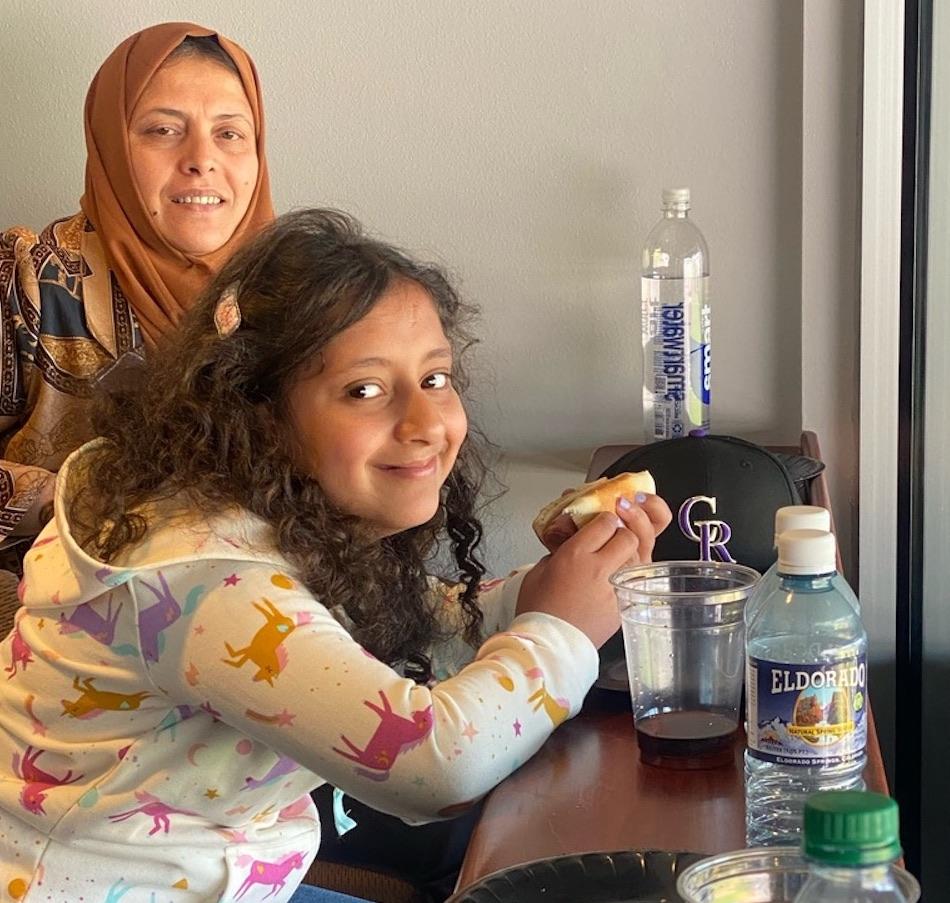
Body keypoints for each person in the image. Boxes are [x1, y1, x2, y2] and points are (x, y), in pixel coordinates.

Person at [0, 208, 671, 902]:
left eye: (436, 377)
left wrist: (542, 595)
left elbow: (411, 618)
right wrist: (560, 632)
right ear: (257, 412)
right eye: (364, 390)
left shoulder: (270, 514)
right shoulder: (202, 578)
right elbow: (435, 767)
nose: (424, 423)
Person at [0, 22, 273, 577]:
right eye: (163, 130)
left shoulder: (302, 293)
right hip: (44, 625)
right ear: (109, 144)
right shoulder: (28, 280)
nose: (202, 158)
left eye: (230, 133)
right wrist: (98, 507)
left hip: (266, 618)